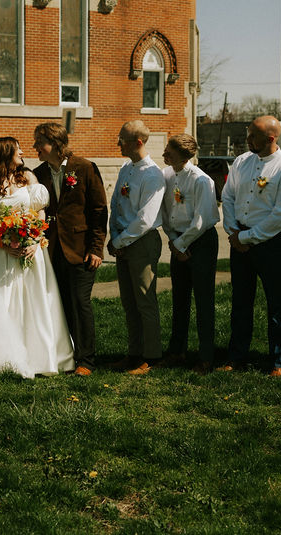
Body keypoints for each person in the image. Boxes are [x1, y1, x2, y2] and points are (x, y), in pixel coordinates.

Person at [0, 137, 74, 378]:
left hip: (30, 250)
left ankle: (41, 356)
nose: (23, 152)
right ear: (5, 154)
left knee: (34, 301)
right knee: (2, 299)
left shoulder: (28, 177)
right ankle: (1, 357)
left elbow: (40, 211)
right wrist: (1, 243)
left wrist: (34, 240)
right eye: (17, 149)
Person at [220, 115, 281, 376]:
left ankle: (278, 360)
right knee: (241, 301)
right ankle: (236, 356)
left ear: (270, 138)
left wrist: (247, 238)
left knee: (276, 302)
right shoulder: (242, 162)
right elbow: (229, 196)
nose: (247, 140)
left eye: (252, 136)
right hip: (239, 237)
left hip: (268, 242)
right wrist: (233, 230)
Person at [32, 122, 108, 376]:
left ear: (55, 143)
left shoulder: (84, 168)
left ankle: (86, 360)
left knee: (80, 302)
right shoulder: (38, 173)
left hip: (80, 249)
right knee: (60, 304)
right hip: (51, 250)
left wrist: (96, 249)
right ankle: (66, 356)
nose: (35, 147)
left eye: (39, 142)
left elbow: (98, 211)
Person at [107, 120, 166, 376]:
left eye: (122, 139)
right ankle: (134, 352)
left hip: (141, 242)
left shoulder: (152, 174)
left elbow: (145, 218)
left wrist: (120, 241)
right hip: (123, 241)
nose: (118, 143)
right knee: (129, 302)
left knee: (145, 300)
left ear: (138, 142)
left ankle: (151, 356)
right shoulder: (126, 167)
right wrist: (114, 235)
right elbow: (116, 204)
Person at [160, 134, 220, 374]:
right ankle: (177, 350)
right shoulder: (167, 175)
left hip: (200, 240)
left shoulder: (200, 180)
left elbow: (203, 218)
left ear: (184, 156)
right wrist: (174, 241)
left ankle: (206, 356)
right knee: (180, 299)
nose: (164, 156)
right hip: (178, 241)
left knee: (203, 300)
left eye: (169, 153)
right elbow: (166, 211)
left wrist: (183, 244)